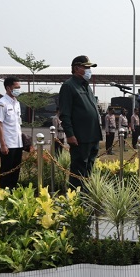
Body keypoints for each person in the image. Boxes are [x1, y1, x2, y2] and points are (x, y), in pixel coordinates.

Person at [58, 55, 102, 189]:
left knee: (89, 167)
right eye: (86, 67)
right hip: (80, 136)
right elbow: (65, 114)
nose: (89, 70)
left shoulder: (86, 86)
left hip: (93, 135)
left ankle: (86, 194)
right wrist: (70, 135)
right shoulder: (68, 86)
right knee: (78, 168)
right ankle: (75, 197)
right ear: (77, 68)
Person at [0, 76, 26, 190]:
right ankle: (3, 195)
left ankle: (13, 194)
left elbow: (17, 125)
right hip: (7, 144)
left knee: (16, 171)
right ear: (8, 88)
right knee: (6, 172)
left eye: (19, 87)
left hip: (17, 143)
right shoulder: (1, 104)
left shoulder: (16, 103)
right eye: (16, 87)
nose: (18, 90)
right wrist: (3, 144)